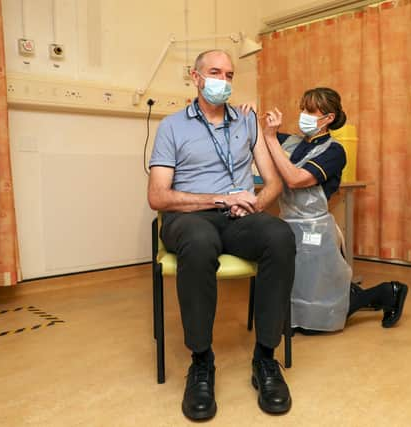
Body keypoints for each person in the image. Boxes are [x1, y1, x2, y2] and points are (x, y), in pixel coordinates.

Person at [147, 49, 295, 421]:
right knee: (198, 244)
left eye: (229, 75)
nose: (223, 81)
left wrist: (256, 205)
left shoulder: (246, 122)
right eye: (215, 72)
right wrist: (219, 198)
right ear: (195, 77)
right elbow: (157, 196)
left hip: (239, 216)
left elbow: (273, 181)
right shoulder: (172, 126)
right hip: (190, 216)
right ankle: (201, 362)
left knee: (279, 236)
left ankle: (265, 358)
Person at [260, 87, 408, 334]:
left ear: (328, 118)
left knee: (326, 308)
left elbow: (295, 179)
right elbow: (261, 139)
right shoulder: (293, 141)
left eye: (310, 110)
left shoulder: (334, 151)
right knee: (303, 286)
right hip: (289, 223)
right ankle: (347, 293)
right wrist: (250, 119)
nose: (303, 115)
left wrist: (271, 138)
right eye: (302, 109)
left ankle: (388, 292)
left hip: (315, 231)